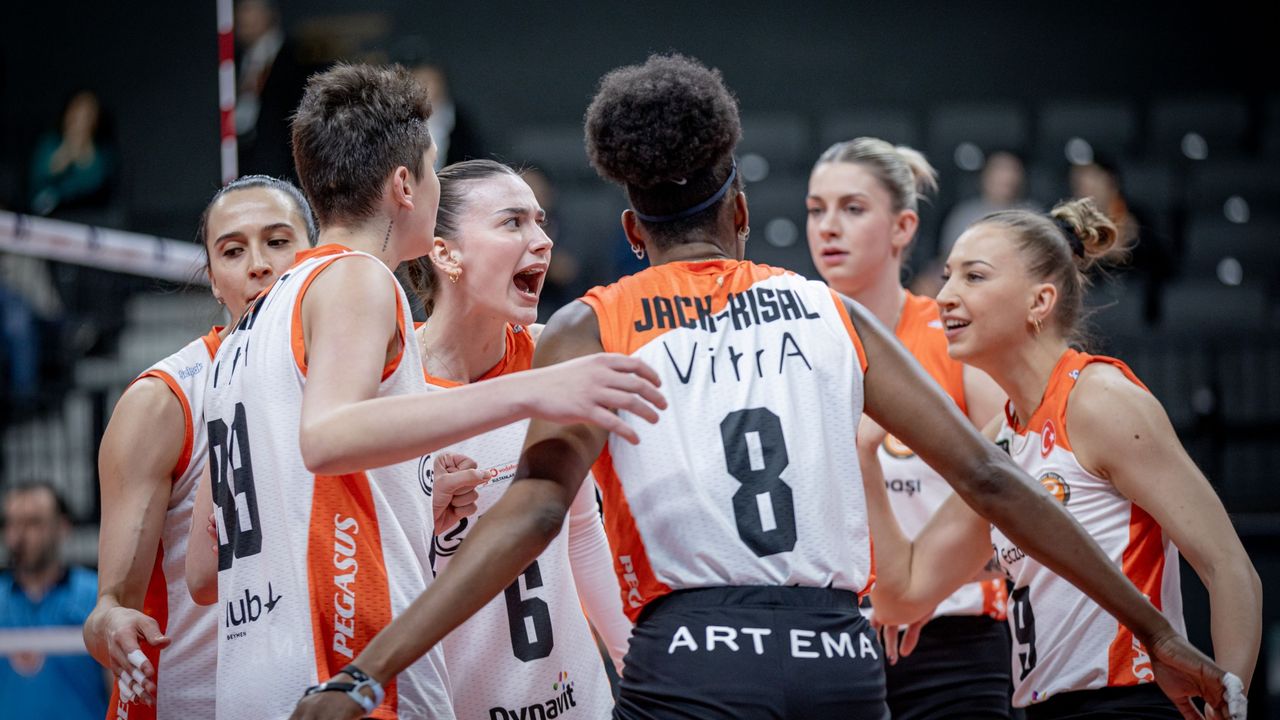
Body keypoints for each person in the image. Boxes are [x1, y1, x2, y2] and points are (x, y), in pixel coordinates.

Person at [290, 54, 1241, 720]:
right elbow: (992, 480)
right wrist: (1157, 631)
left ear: (631, 232)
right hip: (838, 660)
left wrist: (366, 675)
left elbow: (535, 516)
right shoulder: (832, 314)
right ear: (742, 211)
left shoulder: (590, 324)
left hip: (693, 662)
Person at [184, 63, 663, 720]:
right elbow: (327, 438)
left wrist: (414, 507)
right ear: (405, 185)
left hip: (253, 676)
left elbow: (205, 571)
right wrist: (534, 391)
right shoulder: (357, 277)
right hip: (341, 665)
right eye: (435, 170)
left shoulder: (250, 326)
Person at [857, 197, 1260, 718]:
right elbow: (905, 593)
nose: (945, 296)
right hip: (1047, 707)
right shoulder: (1000, 438)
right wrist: (865, 454)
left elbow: (1229, 567)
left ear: (1040, 301)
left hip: (1127, 702)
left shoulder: (1099, 400)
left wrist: (1230, 701)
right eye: (948, 275)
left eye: (974, 277)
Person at [405, 158, 630, 718]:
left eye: (540, 221)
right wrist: (419, 514)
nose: (544, 241)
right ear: (445, 254)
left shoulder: (553, 355)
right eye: (513, 222)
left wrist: (637, 667)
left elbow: (583, 532)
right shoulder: (387, 388)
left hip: (578, 700)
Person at [84, 175, 315, 718]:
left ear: (316, 255)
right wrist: (113, 622)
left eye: (277, 241)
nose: (259, 264)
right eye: (233, 251)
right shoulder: (162, 402)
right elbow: (106, 611)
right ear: (213, 280)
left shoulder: (355, 377)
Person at [806, 137, 1012, 720]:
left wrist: (928, 585)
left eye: (853, 208)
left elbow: (1020, 493)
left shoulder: (953, 338)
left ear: (903, 227)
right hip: (826, 637)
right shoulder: (785, 344)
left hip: (953, 638)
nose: (828, 227)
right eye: (816, 210)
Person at [1, 481, 109, 718]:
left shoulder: (98, 595)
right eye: (12, 523)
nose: (20, 535)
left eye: (33, 522)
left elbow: (118, 687)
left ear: (62, 527)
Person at [28, 90, 116, 218]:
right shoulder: (50, 143)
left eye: (87, 115)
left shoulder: (102, 155)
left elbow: (98, 188)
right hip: (46, 214)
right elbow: (36, 181)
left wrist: (84, 157)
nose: (80, 121)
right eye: (77, 113)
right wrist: (64, 155)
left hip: (83, 217)